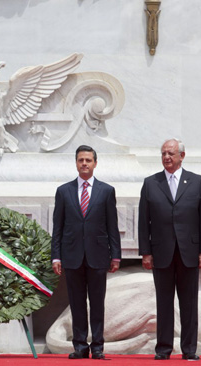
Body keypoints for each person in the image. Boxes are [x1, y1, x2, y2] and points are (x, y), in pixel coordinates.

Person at [138, 138, 201, 360]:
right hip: (161, 253)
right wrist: (146, 252)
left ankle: (189, 349)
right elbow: (144, 221)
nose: (167, 157)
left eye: (171, 153)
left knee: (189, 303)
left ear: (182, 155)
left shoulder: (196, 182)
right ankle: (163, 349)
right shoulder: (151, 183)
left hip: (189, 252)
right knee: (163, 303)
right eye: (163, 154)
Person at [51, 145, 121, 360]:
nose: (84, 163)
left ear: (95, 163)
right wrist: (56, 255)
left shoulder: (106, 191)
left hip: (98, 256)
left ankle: (98, 345)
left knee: (97, 302)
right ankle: (80, 345)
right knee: (77, 303)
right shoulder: (64, 191)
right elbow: (58, 227)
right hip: (72, 256)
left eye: (88, 160)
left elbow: (112, 225)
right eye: (80, 160)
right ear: (76, 163)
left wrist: (115, 255)